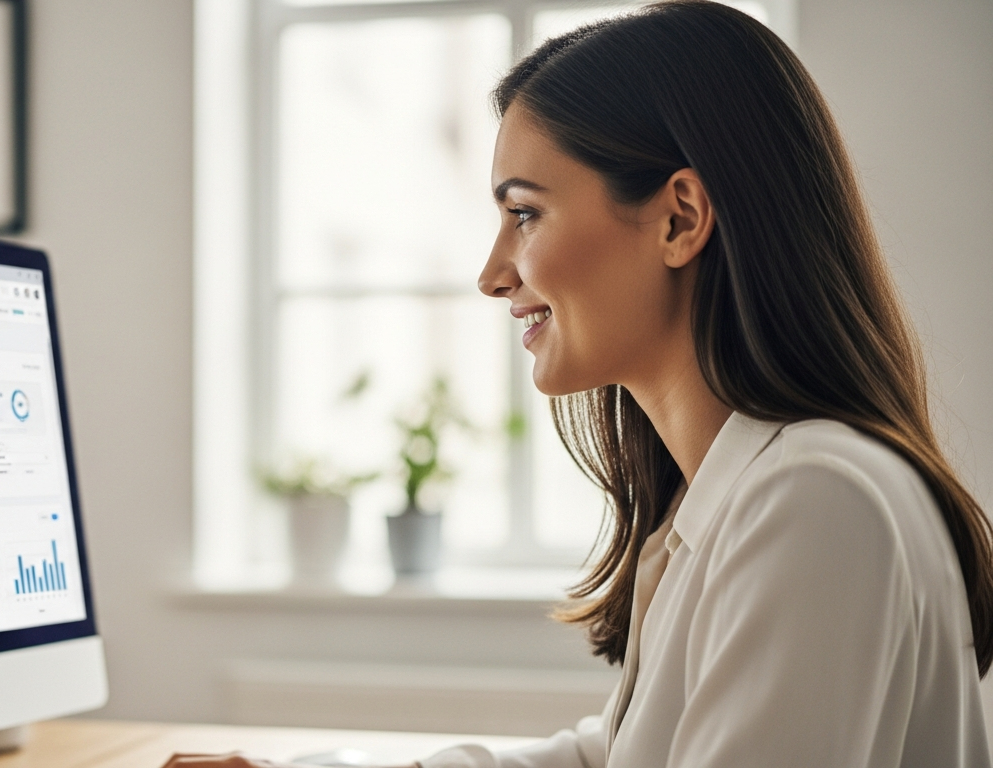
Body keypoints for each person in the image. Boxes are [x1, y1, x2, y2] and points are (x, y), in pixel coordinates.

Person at [164, 1, 993, 766]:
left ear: (679, 219)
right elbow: (614, 756)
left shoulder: (814, 500)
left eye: (524, 214)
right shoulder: (751, 490)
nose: (493, 275)